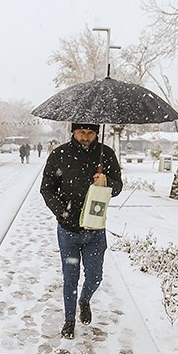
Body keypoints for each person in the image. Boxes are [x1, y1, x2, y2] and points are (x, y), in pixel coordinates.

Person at [40, 123, 123, 339]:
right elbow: (46, 188)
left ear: (96, 133)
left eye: (90, 133)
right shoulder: (60, 155)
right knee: (70, 278)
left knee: (95, 277)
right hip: (68, 230)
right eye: (81, 132)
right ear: (73, 132)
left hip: (95, 229)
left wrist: (107, 182)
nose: (85, 137)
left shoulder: (106, 155)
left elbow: (118, 186)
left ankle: (84, 299)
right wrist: (61, 212)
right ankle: (69, 320)